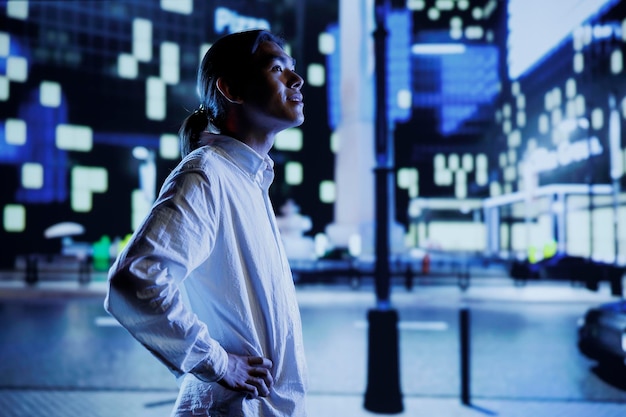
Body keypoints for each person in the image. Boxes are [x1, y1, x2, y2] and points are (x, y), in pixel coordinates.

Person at [104, 29, 307, 417]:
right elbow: (135, 279)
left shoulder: (248, 180)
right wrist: (217, 362)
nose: (296, 80)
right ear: (231, 89)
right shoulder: (206, 175)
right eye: (277, 68)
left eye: (293, 69)